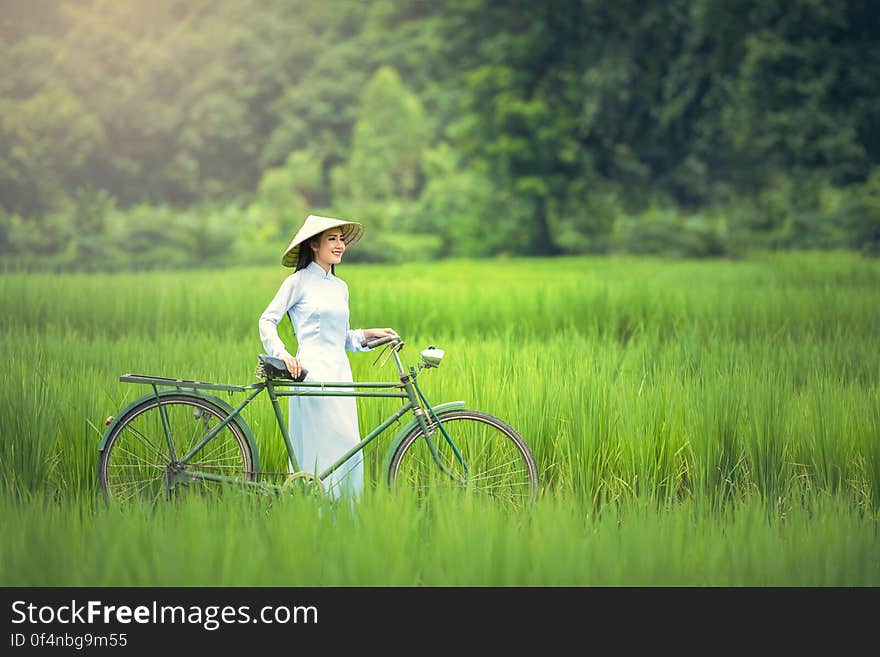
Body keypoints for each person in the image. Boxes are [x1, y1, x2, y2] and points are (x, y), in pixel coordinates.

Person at [258, 214, 397, 501]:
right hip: (311, 373)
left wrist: (369, 334)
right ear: (314, 245)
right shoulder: (297, 282)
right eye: (332, 239)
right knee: (324, 447)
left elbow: (343, 337)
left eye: (341, 239)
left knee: (348, 447)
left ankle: (344, 521)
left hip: (340, 374)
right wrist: (282, 355)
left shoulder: (340, 287)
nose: (339, 245)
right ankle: (313, 512)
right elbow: (266, 320)